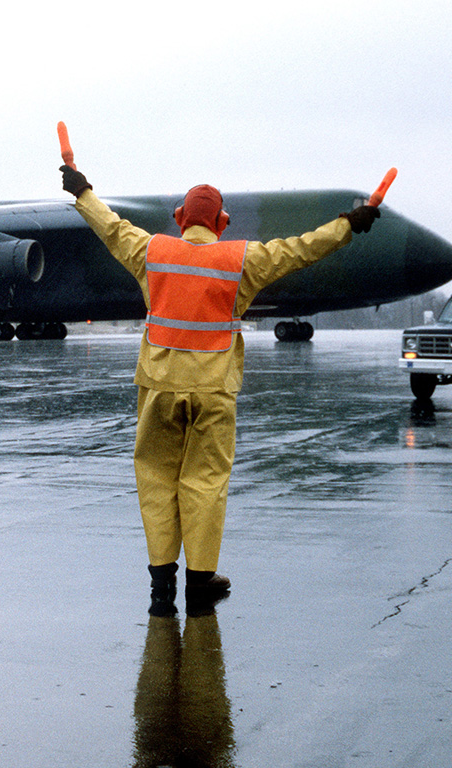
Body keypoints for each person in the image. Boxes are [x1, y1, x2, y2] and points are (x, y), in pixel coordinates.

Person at [60, 163, 379, 615]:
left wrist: (83, 191)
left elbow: (111, 228)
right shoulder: (243, 260)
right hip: (213, 389)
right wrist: (348, 225)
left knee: (156, 479)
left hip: (159, 384)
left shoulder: (152, 251)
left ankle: (160, 586)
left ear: (179, 217)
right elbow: (302, 250)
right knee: (205, 482)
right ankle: (201, 580)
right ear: (221, 223)